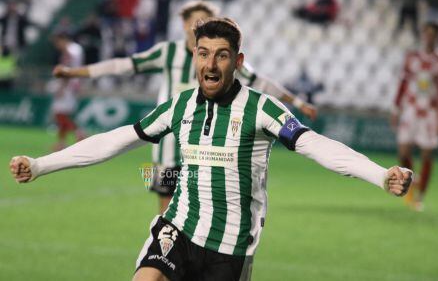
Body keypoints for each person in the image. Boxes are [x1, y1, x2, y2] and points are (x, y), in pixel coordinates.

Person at [11, 17, 412, 281]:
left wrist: (379, 174)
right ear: (195, 58)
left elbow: (316, 146)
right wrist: (41, 164)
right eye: (203, 54)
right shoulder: (180, 104)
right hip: (179, 229)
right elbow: (115, 140)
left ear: (237, 61)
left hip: (230, 247)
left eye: (221, 55)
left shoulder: (261, 108)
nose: (211, 64)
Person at [52, 0, 318, 214]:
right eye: (192, 22)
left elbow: (261, 81)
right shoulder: (167, 52)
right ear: (183, 24)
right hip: (165, 152)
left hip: (209, 152)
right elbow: (121, 65)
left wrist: (297, 102)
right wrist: (75, 73)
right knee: (164, 219)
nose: (195, 27)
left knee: (206, 217)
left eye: (201, 22)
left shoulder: (224, 58)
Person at [391, 21, 438, 211]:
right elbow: (402, 85)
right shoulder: (411, 57)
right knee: (403, 151)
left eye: (433, 34)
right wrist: (396, 110)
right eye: (427, 33)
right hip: (411, 109)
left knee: (427, 153)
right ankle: (412, 183)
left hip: (430, 112)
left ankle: (419, 197)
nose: (429, 37)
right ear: (423, 35)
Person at [49, 32, 86, 151]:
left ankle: (79, 133)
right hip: (75, 83)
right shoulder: (77, 49)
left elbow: (66, 70)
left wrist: (61, 87)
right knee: (64, 114)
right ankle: (62, 143)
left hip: (68, 85)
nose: (57, 46)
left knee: (58, 114)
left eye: (57, 43)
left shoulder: (69, 51)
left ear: (62, 40)